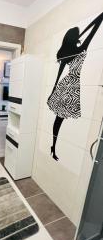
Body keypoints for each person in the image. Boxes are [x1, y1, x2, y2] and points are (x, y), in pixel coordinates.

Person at [47, 12, 103, 161]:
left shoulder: (69, 51)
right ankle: (53, 146)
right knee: (59, 118)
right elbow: (96, 26)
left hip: (66, 85)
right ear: (74, 38)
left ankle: (53, 146)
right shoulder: (82, 48)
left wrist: (53, 90)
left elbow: (59, 72)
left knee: (59, 118)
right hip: (70, 87)